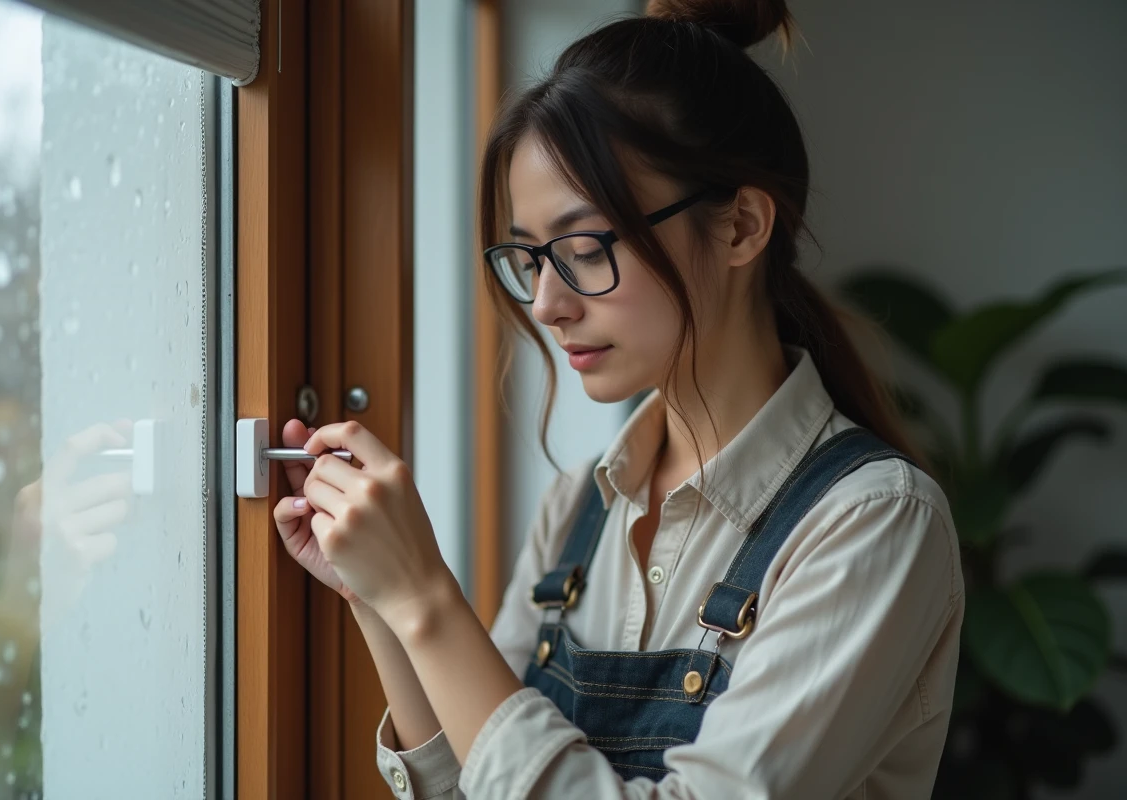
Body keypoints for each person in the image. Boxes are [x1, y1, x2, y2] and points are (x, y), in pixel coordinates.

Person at [272, 0, 963, 797]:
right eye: (530, 259)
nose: (545, 304)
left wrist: (426, 597)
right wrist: (381, 599)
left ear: (740, 226)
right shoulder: (578, 509)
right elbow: (472, 786)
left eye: (582, 248)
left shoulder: (873, 523)